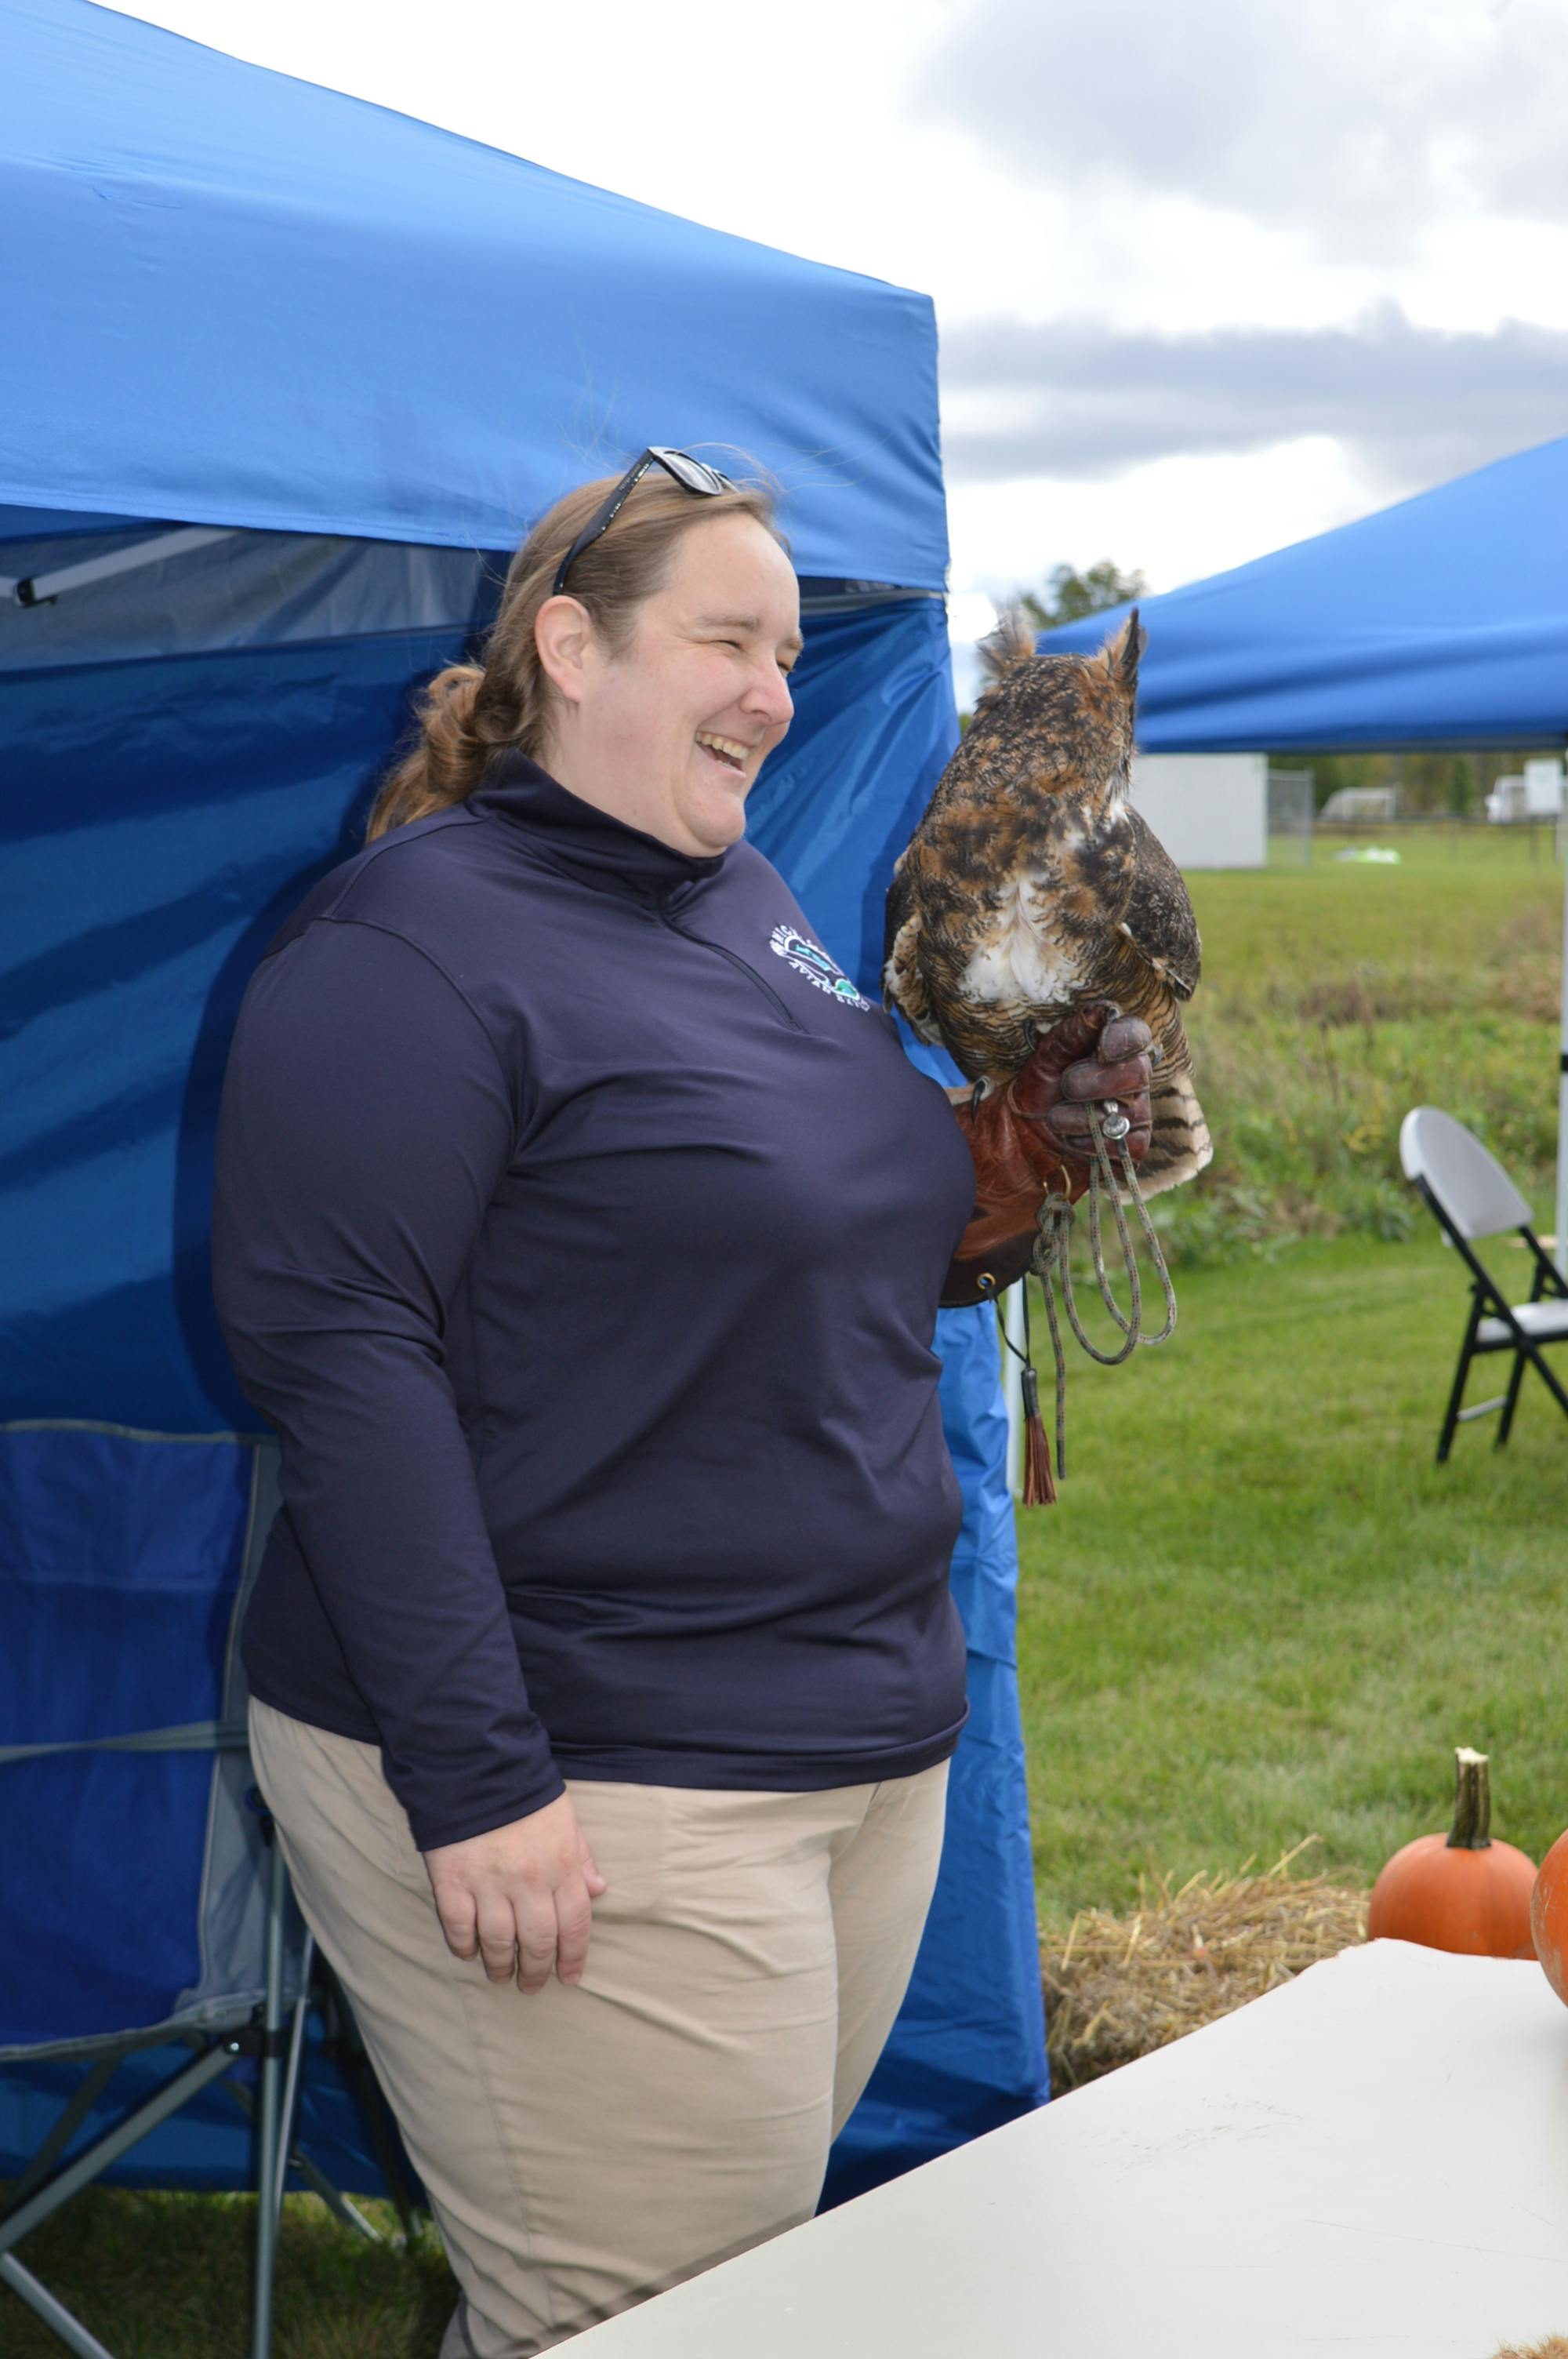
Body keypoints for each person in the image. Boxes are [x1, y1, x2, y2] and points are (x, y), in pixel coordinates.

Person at [212, 450, 1152, 2357]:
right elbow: (344, 1365)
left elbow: (811, 1247)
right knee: (643, 2321)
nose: (772, 693)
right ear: (568, 646)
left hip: (851, 1744)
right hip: (597, 1761)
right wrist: (476, 1784)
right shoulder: (404, 948)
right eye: (725, 640)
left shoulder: (754, 908)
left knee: (728, 2304)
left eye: (790, 652)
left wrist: (1010, 1151)